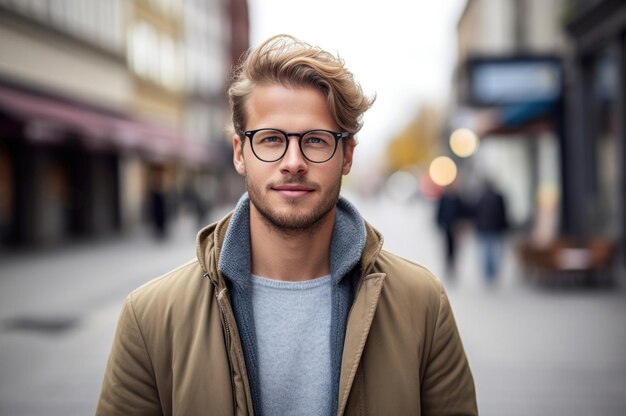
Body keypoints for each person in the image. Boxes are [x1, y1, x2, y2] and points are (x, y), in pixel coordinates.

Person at [96, 34, 477, 415]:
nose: (293, 161)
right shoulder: (151, 317)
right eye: (271, 138)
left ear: (347, 156)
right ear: (240, 153)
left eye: (315, 140)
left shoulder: (422, 303)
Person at [474, 179, 509, 284]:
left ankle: (488, 272)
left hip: (484, 229)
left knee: (486, 251)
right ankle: (492, 272)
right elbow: (504, 214)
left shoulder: (481, 197)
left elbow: (476, 214)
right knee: (494, 251)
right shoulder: (498, 197)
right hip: (495, 228)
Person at [436, 182, 466, 276]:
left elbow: (462, 212)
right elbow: (439, 212)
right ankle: (448, 266)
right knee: (447, 248)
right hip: (447, 227)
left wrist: (460, 224)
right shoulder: (444, 199)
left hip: (455, 228)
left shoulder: (457, 198)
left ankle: (453, 266)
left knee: (455, 248)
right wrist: (441, 224)